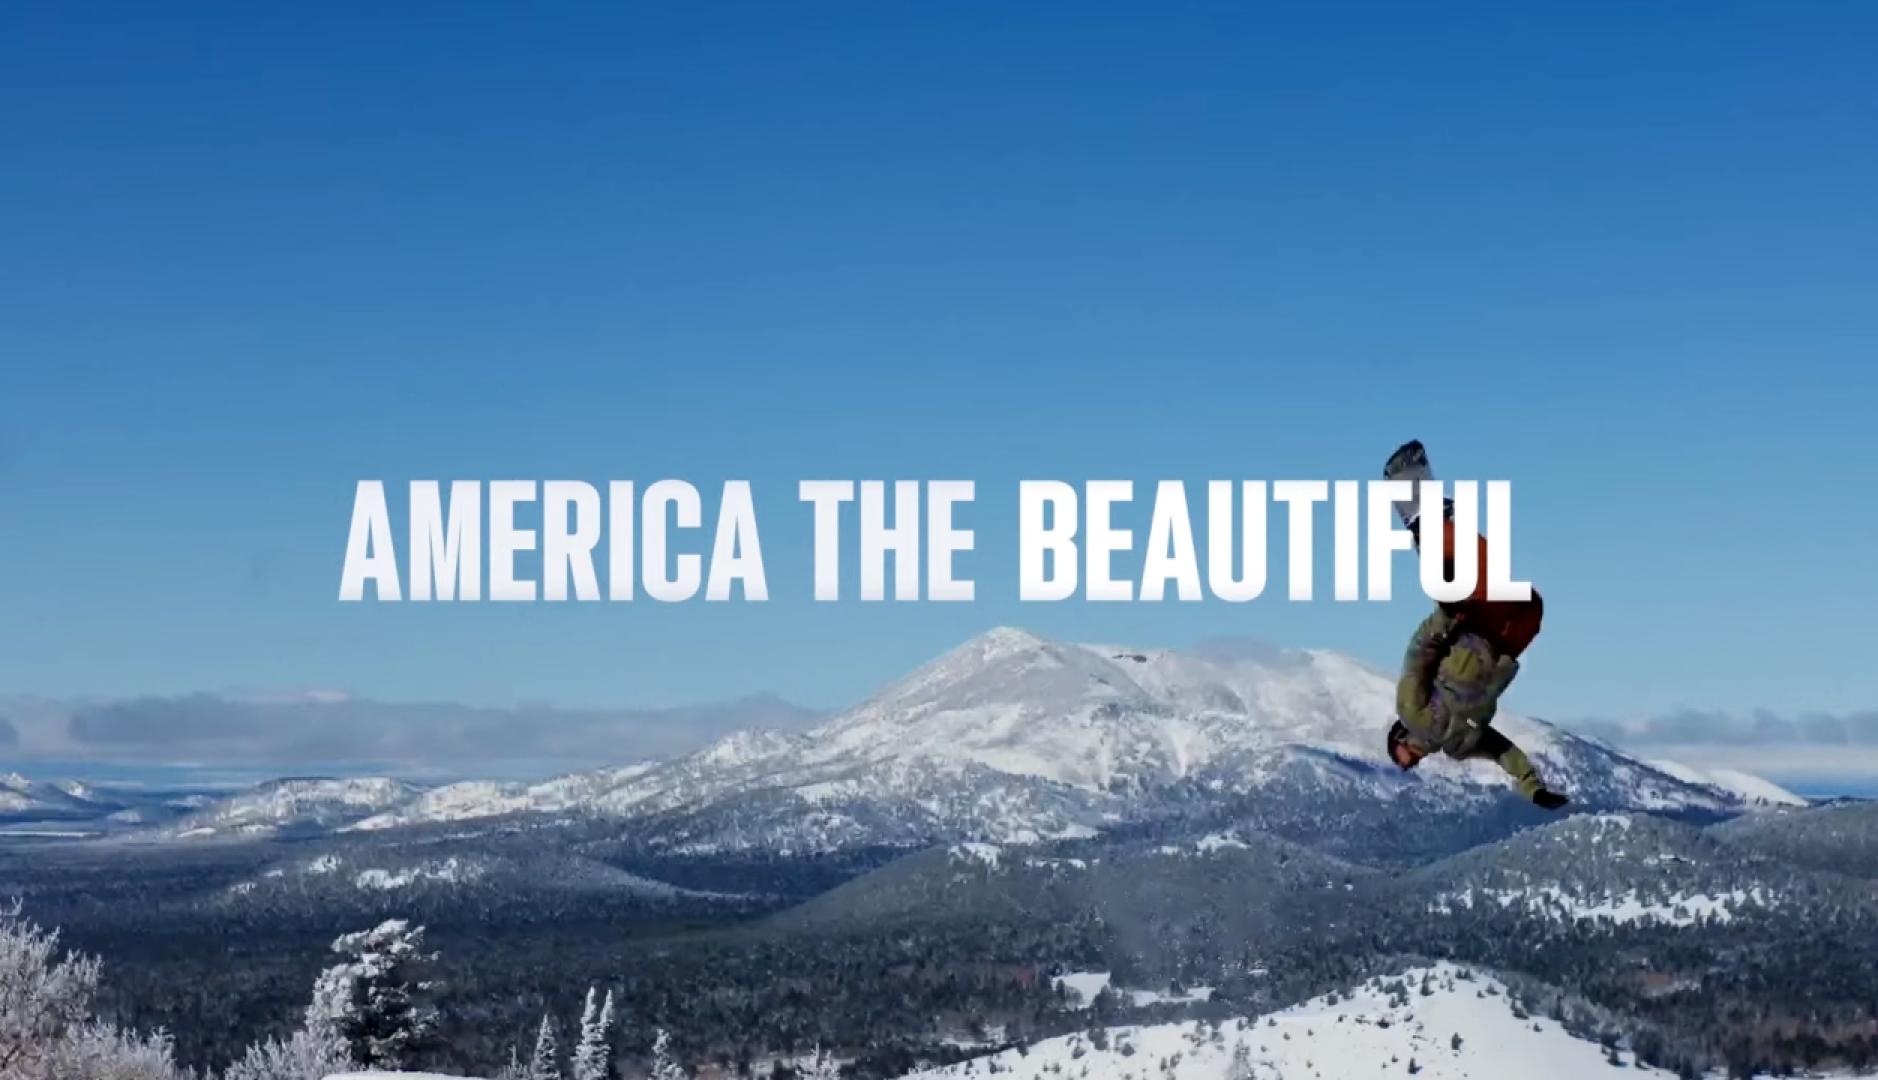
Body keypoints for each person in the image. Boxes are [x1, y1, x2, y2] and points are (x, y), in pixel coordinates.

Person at [1381, 440, 1568, 810]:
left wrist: (1445, 615)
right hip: (1507, 647)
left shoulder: (1410, 710)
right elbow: (1502, 751)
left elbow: (1418, 653)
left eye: (1399, 759)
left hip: (1474, 632)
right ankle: (1437, 528)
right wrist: (1534, 788)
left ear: (1399, 739)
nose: (1407, 766)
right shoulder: (1458, 747)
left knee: (1480, 565)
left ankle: (1425, 517)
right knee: (1533, 603)